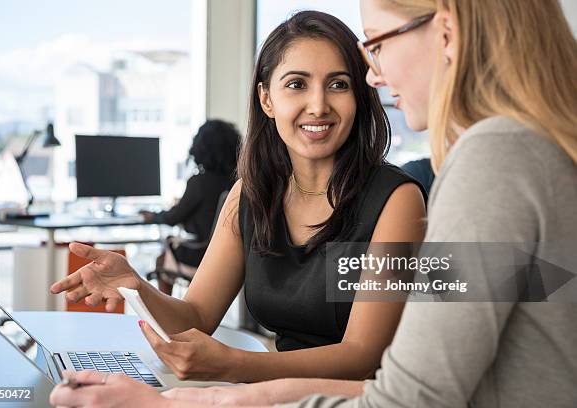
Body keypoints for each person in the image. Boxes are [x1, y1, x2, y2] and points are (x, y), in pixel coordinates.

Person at [155, 0, 577, 406]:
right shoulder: (528, 153)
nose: (373, 76)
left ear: (447, 33)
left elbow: (408, 392)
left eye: (377, 43)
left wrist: (229, 387)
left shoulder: (491, 161)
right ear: (267, 98)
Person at [48, 10, 427, 406]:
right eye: (296, 84)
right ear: (267, 98)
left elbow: (361, 356)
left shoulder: (396, 199)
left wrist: (235, 366)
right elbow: (196, 316)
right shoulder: (250, 194)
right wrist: (136, 286)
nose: (318, 105)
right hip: (274, 396)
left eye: (338, 84)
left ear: (359, 95)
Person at [140, 119, 241, 293]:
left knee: (162, 260)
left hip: (199, 255)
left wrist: (153, 216)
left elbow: (174, 217)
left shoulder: (199, 182)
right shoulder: (237, 182)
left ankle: (165, 314)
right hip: (226, 255)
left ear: (201, 147)